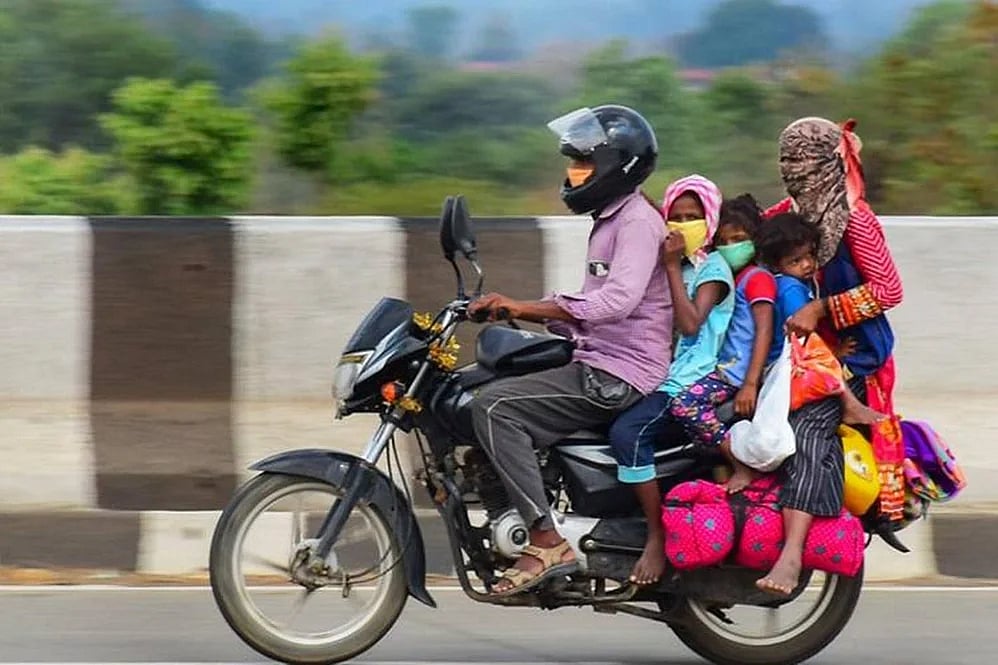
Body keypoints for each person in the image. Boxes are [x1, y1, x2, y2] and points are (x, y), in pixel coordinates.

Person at [468, 105, 672, 597]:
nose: (574, 173)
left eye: (583, 163)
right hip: (598, 357)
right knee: (483, 385)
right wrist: (532, 315)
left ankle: (545, 542)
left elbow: (617, 302)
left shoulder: (637, 223)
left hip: (619, 374)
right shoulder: (610, 220)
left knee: (494, 408)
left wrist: (531, 307)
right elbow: (593, 307)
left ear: (616, 166)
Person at [755, 117, 904, 597]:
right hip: (800, 356)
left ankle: (792, 553)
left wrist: (822, 309)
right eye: (785, 159)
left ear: (828, 163)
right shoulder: (791, 211)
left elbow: (889, 289)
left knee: (807, 430)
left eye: (802, 160)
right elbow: (751, 237)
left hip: (854, 360)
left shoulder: (856, 220)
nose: (792, 169)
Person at [608, 174, 732, 587]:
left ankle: (656, 537)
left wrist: (671, 267)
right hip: (654, 371)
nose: (682, 224)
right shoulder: (672, 265)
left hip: (688, 380)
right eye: (675, 217)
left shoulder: (712, 268)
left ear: (709, 220)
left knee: (627, 434)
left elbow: (691, 323)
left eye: (692, 216)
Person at [753, 212, 885, 426]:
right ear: (776, 265)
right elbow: (806, 339)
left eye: (810, 255)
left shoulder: (798, 282)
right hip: (785, 366)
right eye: (796, 260)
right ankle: (851, 406)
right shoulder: (790, 289)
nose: (807, 264)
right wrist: (835, 353)